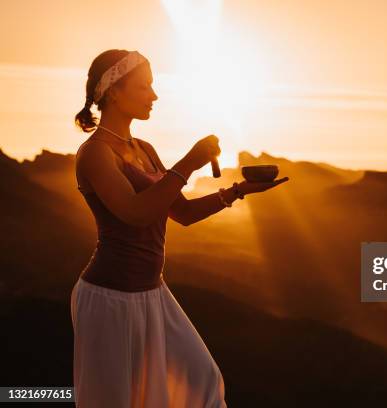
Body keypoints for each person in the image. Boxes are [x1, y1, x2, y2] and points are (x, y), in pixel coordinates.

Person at [71, 49, 289, 408]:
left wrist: (237, 191)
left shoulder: (144, 148)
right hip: (109, 298)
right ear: (113, 92)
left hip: (152, 292)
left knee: (203, 379)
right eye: (145, 87)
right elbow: (136, 213)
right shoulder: (94, 153)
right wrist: (189, 162)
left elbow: (182, 212)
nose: (154, 96)